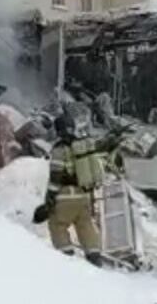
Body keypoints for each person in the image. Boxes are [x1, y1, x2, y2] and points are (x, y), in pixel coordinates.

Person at [40, 114, 105, 266]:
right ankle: (94, 257)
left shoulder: (59, 149)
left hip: (65, 196)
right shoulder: (82, 147)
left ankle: (66, 260)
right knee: (85, 225)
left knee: (57, 225)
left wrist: (50, 198)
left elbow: (56, 176)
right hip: (84, 196)